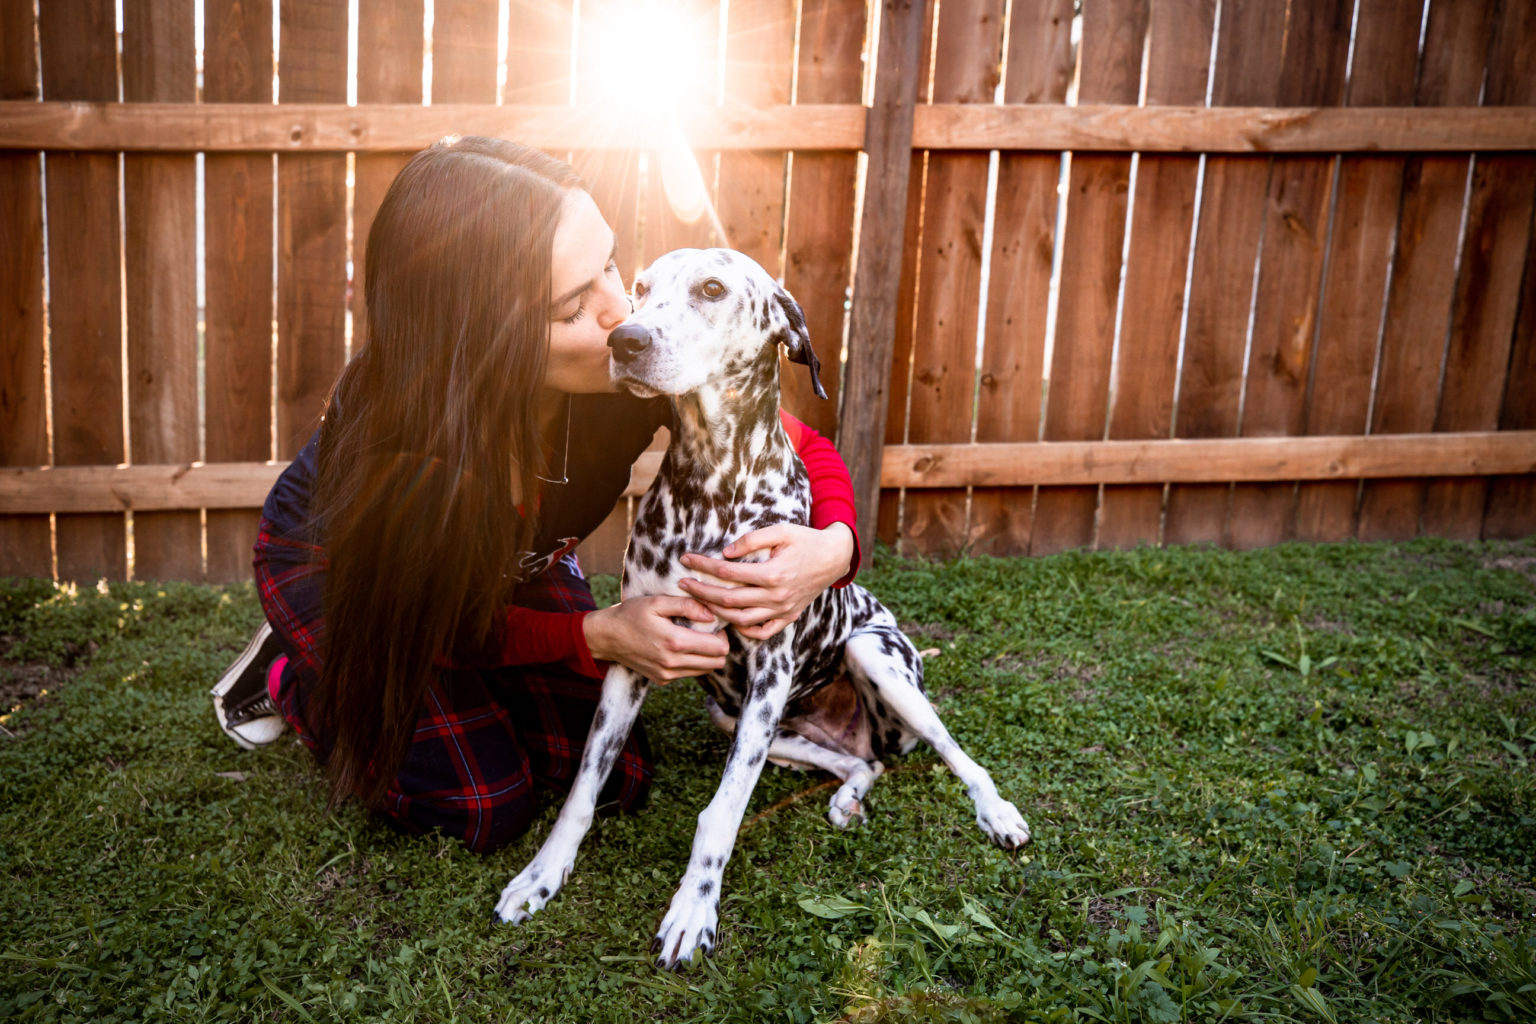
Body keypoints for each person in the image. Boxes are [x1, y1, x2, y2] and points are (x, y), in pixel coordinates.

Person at [210, 136, 861, 853]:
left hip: (512, 564)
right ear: (485, 339)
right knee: (485, 805)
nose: (625, 315)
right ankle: (296, 674)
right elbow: (451, 625)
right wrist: (594, 633)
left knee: (623, 778)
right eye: (575, 305)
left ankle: (472, 689)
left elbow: (798, 443)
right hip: (367, 577)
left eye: (613, 265)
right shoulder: (414, 455)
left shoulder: (640, 359)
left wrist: (832, 550)